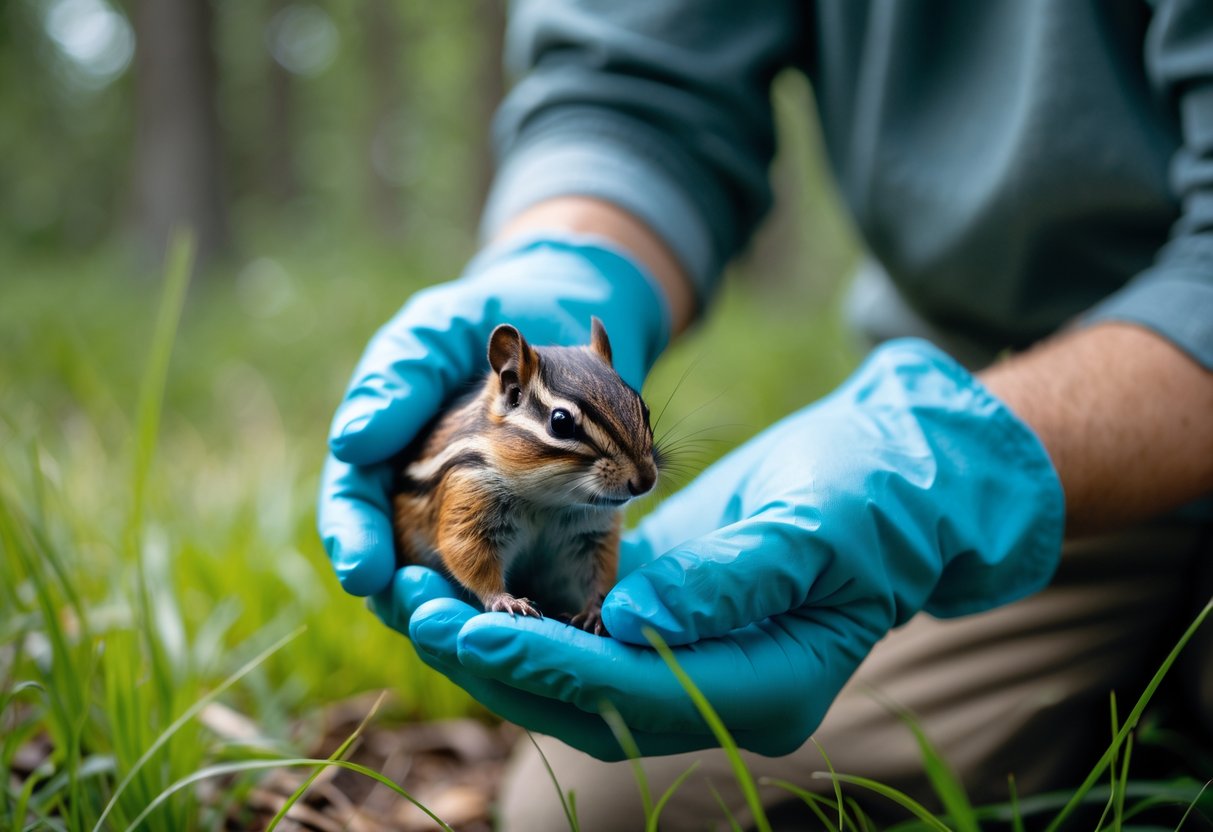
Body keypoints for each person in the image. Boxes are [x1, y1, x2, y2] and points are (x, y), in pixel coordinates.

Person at [318, 1, 1213, 828]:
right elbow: (633, 85)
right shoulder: (491, 458)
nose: (636, 478)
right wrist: (575, 252)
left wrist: (950, 458)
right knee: (602, 800)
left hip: (1092, 405)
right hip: (1010, 398)